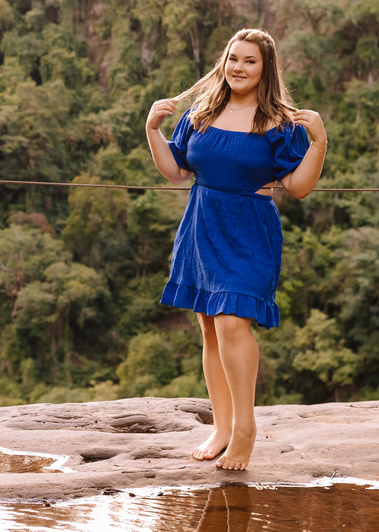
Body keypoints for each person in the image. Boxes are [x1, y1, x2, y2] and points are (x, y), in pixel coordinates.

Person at [145, 28, 327, 471]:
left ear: (266, 69)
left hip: (249, 230)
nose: (238, 68)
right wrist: (152, 129)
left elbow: (298, 187)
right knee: (210, 327)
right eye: (233, 58)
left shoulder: (280, 123)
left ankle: (245, 430)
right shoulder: (201, 113)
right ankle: (222, 428)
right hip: (202, 225)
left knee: (231, 322)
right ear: (223, 62)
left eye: (250, 61)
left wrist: (319, 143)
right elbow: (177, 171)